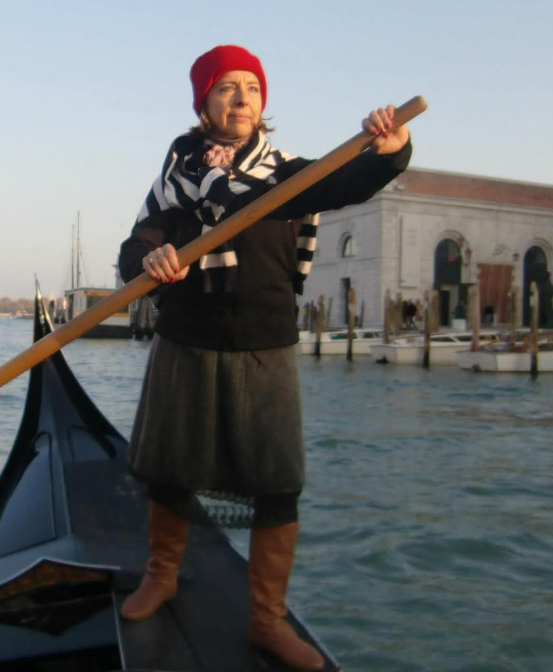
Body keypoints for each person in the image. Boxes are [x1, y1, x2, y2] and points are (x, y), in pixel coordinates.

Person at [117, 44, 411, 670]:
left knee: (277, 487)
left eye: (251, 87)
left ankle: (266, 620)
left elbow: (352, 178)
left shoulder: (288, 177)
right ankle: (161, 575)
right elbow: (140, 238)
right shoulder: (175, 179)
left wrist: (390, 148)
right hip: (187, 341)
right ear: (204, 104)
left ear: (263, 102)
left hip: (264, 346)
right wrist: (147, 259)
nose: (241, 97)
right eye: (226, 87)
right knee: (170, 471)